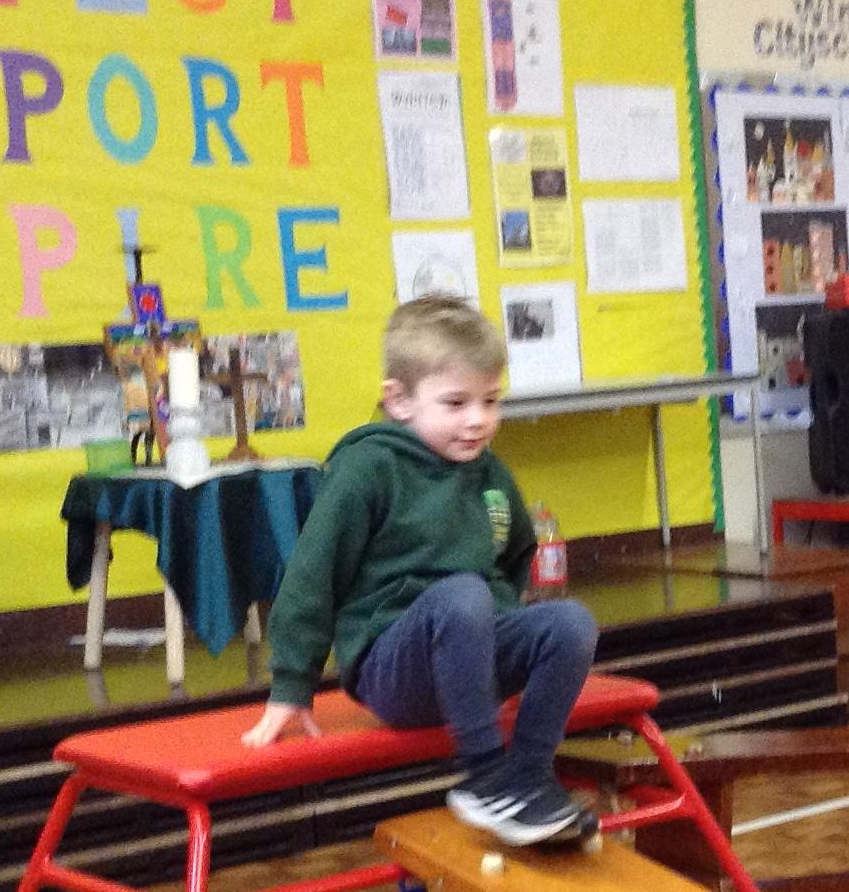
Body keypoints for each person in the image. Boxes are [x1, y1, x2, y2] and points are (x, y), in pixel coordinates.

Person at [243, 296, 602, 846]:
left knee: (570, 622)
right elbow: (312, 574)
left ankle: (528, 777)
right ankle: (486, 780)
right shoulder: (367, 468)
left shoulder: (488, 472)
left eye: (490, 401)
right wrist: (293, 683)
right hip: (393, 668)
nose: (478, 419)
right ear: (399, 401)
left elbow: (514, 554)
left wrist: (494, 633)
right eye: (456, 402)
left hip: (468, 650)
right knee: (461, 596)